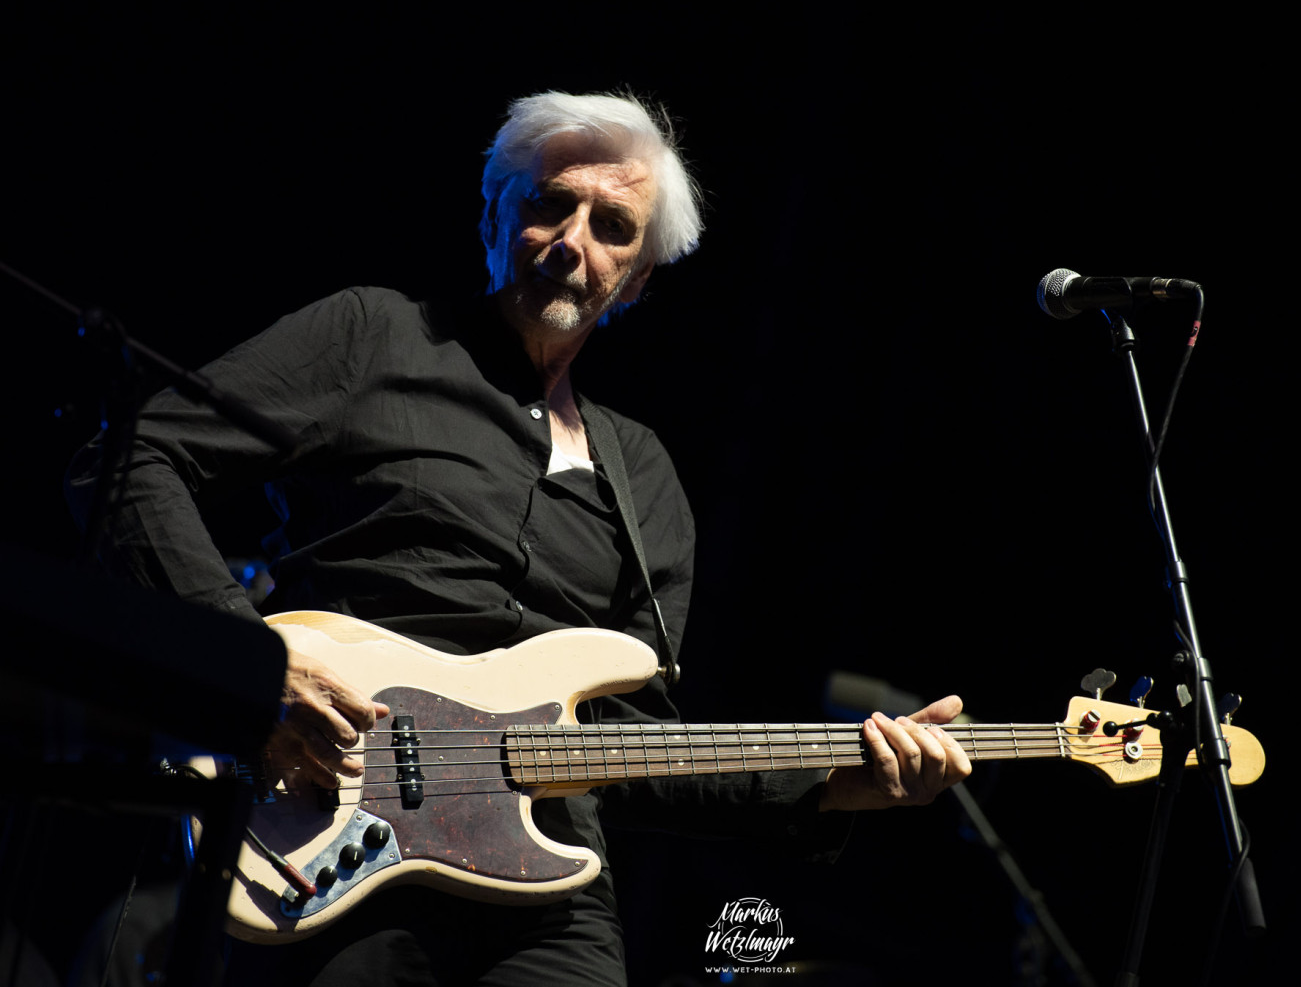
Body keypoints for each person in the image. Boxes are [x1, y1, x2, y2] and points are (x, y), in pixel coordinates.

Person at [67, 91, 970, 985]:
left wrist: (833, 783)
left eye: (613, 225)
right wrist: (254, 664)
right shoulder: (374, 337)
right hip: (329, 828)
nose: (574, 240)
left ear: (640, 278)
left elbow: (638, 749)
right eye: (549, 202)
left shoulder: (644, 475)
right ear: (495, 211)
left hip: (548, 900)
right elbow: (134, 461)